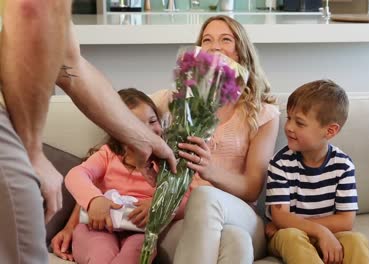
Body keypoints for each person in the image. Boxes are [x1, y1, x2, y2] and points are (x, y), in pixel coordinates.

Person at [0, 1, 176, 262]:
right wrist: (33, 152)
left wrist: (145, 141)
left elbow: (69, 65)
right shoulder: (107, 155)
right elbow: (33, 11)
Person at [159, 15, 280, 264]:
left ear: (241, 52)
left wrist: (209, 170)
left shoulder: (263, 112)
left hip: (241, 214)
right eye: (207, 40)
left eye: (226, 39)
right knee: (236, 243)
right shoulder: (175, 101)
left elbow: (251, 188)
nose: (215, 46)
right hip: (185, 218)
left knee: (204, 196)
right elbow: (126, 113)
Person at [63, 88, 189, 263]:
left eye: (152, 121)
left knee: (135, 255)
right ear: (117, 130)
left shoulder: (167, 162)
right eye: (136, 125)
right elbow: (75, 175)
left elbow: (187, 197)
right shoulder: (107, 155)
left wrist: (159, 204)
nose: (148, 131)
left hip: (140, 232)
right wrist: (94, 200)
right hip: (98, 227)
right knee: (100, 254)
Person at [264, 80, 369, 264]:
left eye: (299, 123)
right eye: (289, 118)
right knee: (291, 235)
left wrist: (320, 232)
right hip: (290, 235)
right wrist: (319, 230)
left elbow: (346, 221)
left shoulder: (343, 165)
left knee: (356, 240)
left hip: (328, 236)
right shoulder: (280, 163)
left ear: (330, 131)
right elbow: (280, 216)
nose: (289, 127)